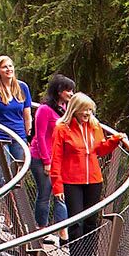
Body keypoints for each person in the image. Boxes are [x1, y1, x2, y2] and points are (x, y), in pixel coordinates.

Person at [54, 93, 119, 256]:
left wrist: (114, 142)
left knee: (91, 221)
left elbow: (100, 150)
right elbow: (56, 158)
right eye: (85, 110)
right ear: (75, 109)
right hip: (72, 181)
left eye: (91, 110)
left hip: (94, 180)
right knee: (76, 222)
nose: (88, 113)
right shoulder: (62, 128)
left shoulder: (94, 125)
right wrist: (57, 186)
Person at [0, 56, 34, 208]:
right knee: (5, 177)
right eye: (4, 67)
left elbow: (27, 115)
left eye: (10, 66)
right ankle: (11, 215)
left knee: (19, 176)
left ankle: (14, 215)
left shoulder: (22, 88)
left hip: (19, 136)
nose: (9, 69)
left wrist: (29, 137)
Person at [29, 74, 75, 227]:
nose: (71, 94)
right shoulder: (44, 109)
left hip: (58, 157)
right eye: (68, 90)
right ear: (59, 91)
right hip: (40, 157)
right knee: (45, 193)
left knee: (60, 193)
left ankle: (62, 230)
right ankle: (41, 228)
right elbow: (40, 136)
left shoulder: (65, 108)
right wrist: (46, 161)